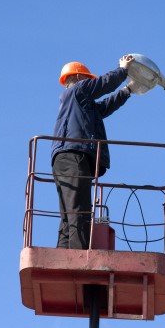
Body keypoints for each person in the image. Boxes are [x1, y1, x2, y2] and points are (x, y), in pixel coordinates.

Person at [51, 55, 135, 249]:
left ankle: (63, 254)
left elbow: (104, 107)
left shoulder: (80, 104)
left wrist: (128, 90)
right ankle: (80, 257)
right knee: (79, 211)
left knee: (69, 213)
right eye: (88, 79)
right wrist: (122, 69)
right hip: (73, 155)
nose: (90, 82)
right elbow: (104, 84)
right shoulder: (78, 91)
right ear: (79, 78)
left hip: (67, 156)